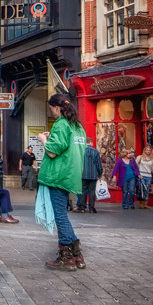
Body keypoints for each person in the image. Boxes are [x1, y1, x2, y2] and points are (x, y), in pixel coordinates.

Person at [36, 92, 88, 270]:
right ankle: (76, 255)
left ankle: (66, 255)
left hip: (58, 175)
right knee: (63, 214)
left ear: (57, 107)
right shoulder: (77, 126)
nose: (52, 113)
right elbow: (67, 146)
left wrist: (44, 139)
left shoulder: (61, 124)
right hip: (71, 174)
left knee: (60, 215)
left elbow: (52, 152)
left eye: (51, 109)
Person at [75, 138, 103, 213]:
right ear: (91, 142)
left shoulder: (81, 151)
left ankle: (82, 207)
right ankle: (91, 208)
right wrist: (100, 174)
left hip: (83, 174)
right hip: (93, 175)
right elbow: (99, 164)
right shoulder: (95, 151)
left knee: (83, 191)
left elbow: (77, 163)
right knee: (92, 191)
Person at [135, 144, 153, 209]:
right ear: (144, 150)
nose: (148, 151)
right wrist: (137, 174)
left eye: (149, 150)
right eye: (147, 150)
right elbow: (135, 166)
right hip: (141, 176)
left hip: (149, 176)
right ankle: (141, 203)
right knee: (142, 189)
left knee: (147, 189)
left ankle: (145, 203)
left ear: (151, 151)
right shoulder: (139, 157)